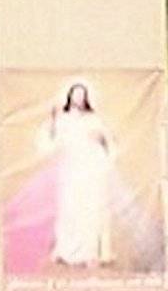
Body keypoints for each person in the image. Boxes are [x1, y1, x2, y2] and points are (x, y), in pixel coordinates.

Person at [44, 82, 118, 267]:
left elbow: (108, 142)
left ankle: (89, 253)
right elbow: (53, 144)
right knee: (69, 209)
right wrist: (53, 121)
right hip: (71, 170)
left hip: (91, 170)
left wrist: (104, 160)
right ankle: (65, 251)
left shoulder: (93, 119)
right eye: (75, 94)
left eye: (82, 94)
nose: (78, 98)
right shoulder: (63, 119)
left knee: (89, 210)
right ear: (69, 96)